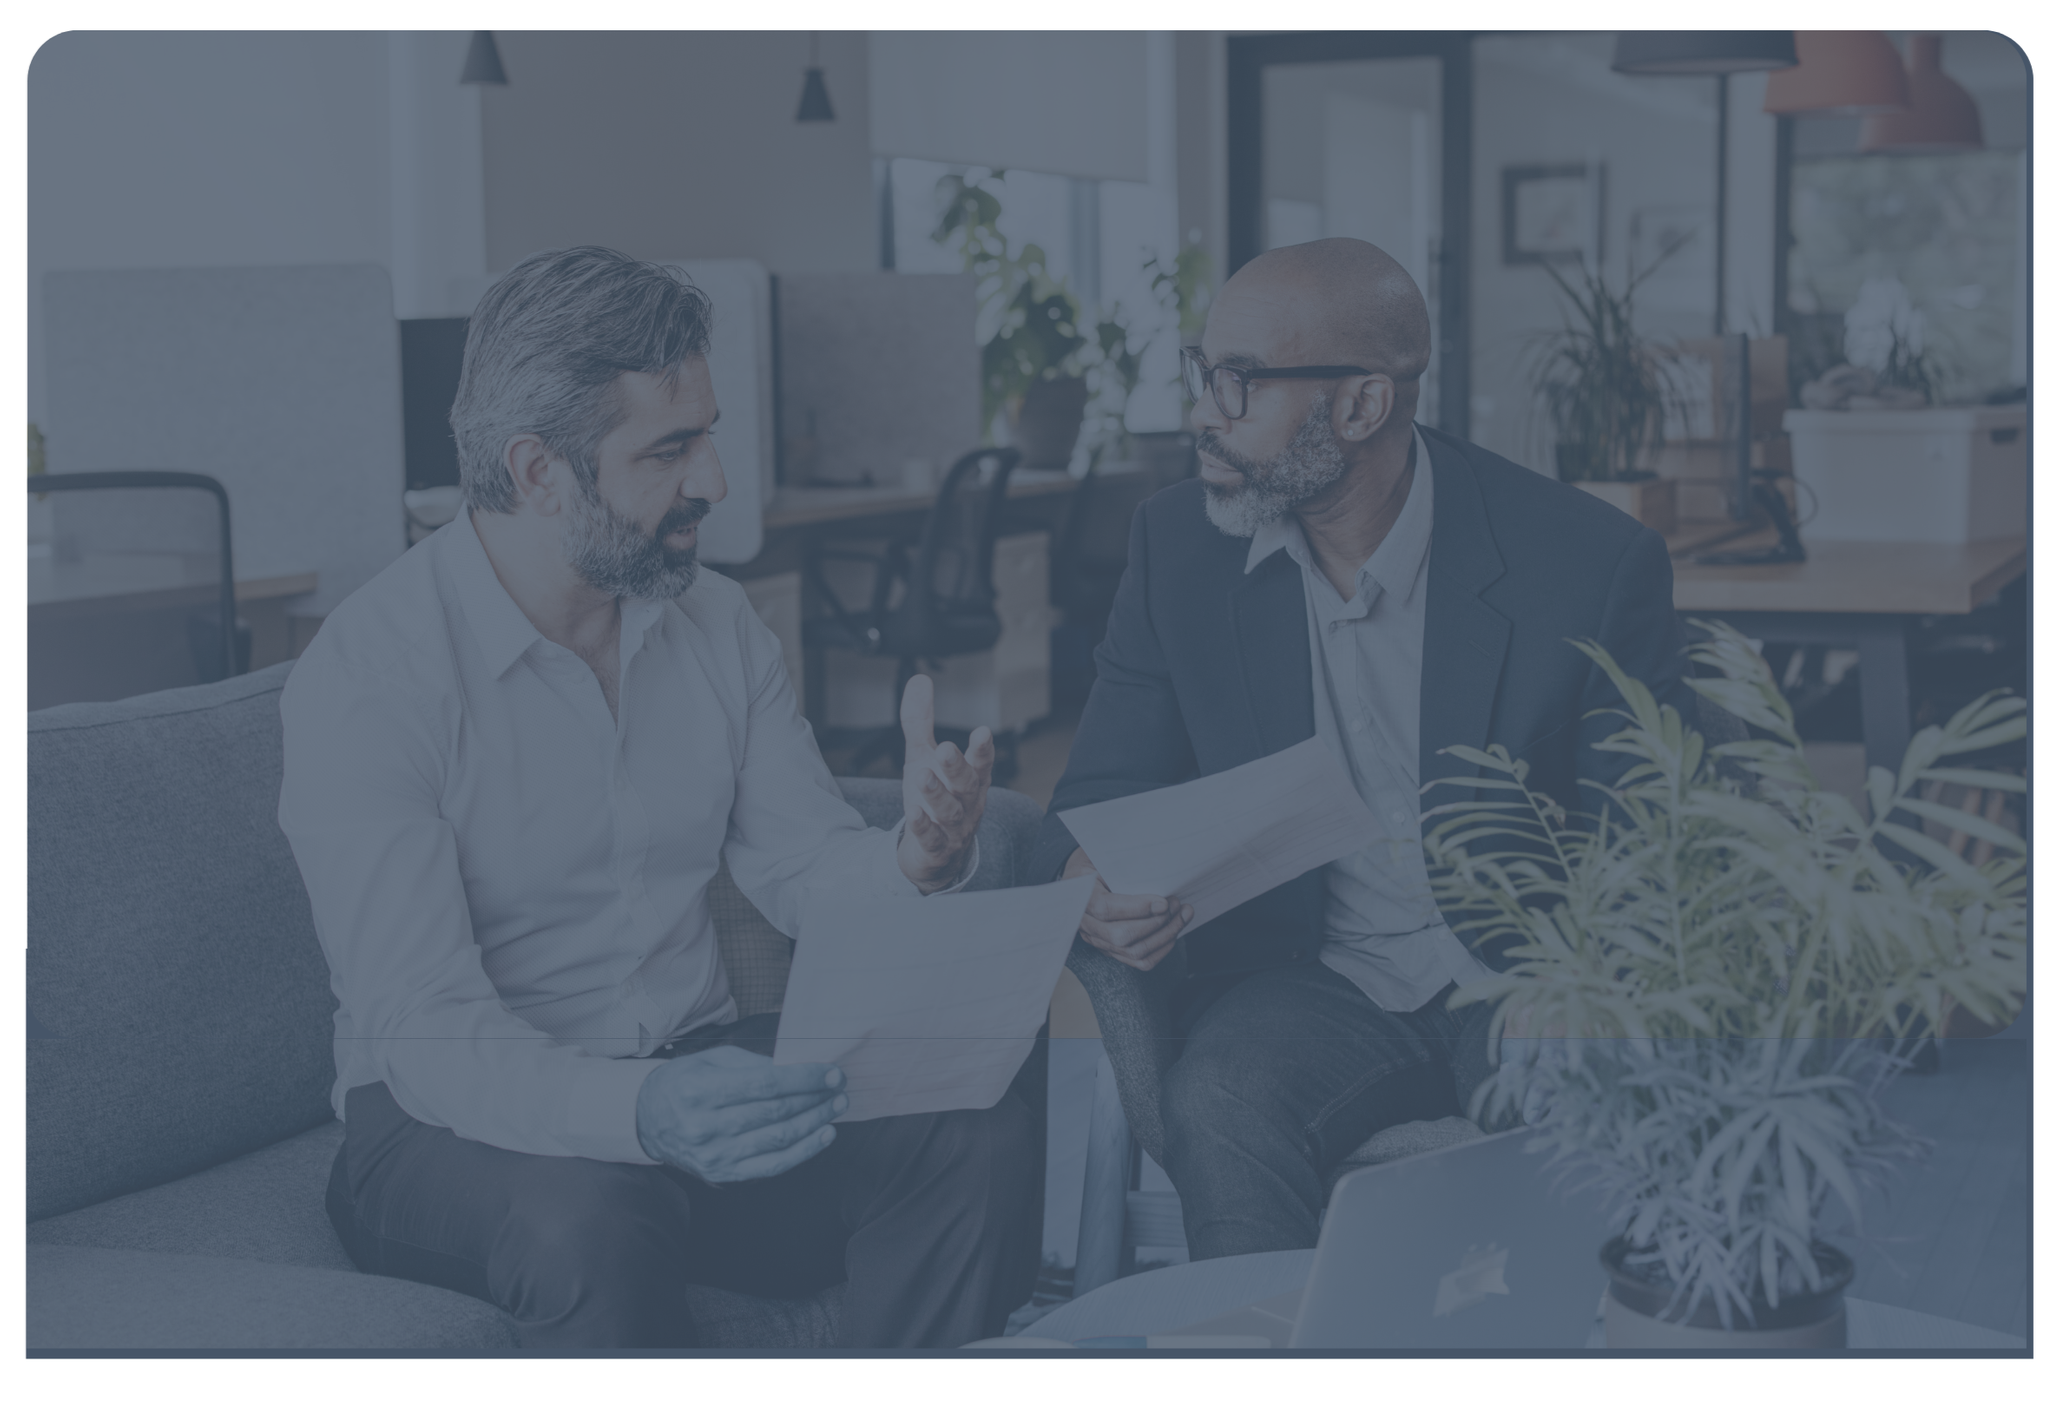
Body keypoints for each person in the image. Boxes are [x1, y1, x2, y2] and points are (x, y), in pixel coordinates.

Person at [280, 247, 1039, 1349]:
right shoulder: (372, 677)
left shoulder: (715, 625)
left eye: (709, 433)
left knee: (967, 1126)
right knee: (598, 1213)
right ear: (538, 470)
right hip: (444, 1114)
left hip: (688, 1062)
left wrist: (912, 857)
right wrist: (638, 1116)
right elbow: (427, 1029)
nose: (716, 481)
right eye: (670, 448)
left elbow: (799, 865)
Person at [1032, 237, 1698, 1260]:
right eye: (1202, 374)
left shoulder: (1585, 563)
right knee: (1216, 1095)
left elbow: (1649, 839)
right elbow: (1102, 791)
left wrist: (1581, 982)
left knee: (1591, 1103)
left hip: (1526, 975)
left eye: (1238, 383)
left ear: (1361, 405)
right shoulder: (1178, 548)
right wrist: (1093, 882)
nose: (1203, 411)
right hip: (1313, 975)